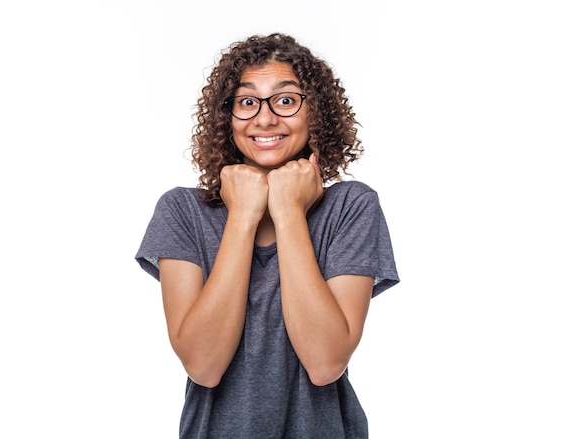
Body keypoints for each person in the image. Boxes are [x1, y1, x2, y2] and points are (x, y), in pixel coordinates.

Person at [135, 33, 399, 439]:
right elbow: (204, 366)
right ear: (227, 118)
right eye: (247, 102)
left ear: (317, 113)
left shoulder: (351, 206)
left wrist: (289, 210)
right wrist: (243, 214)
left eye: (286, 100)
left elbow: (325, 362)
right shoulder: (182, 212)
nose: (265, 118)